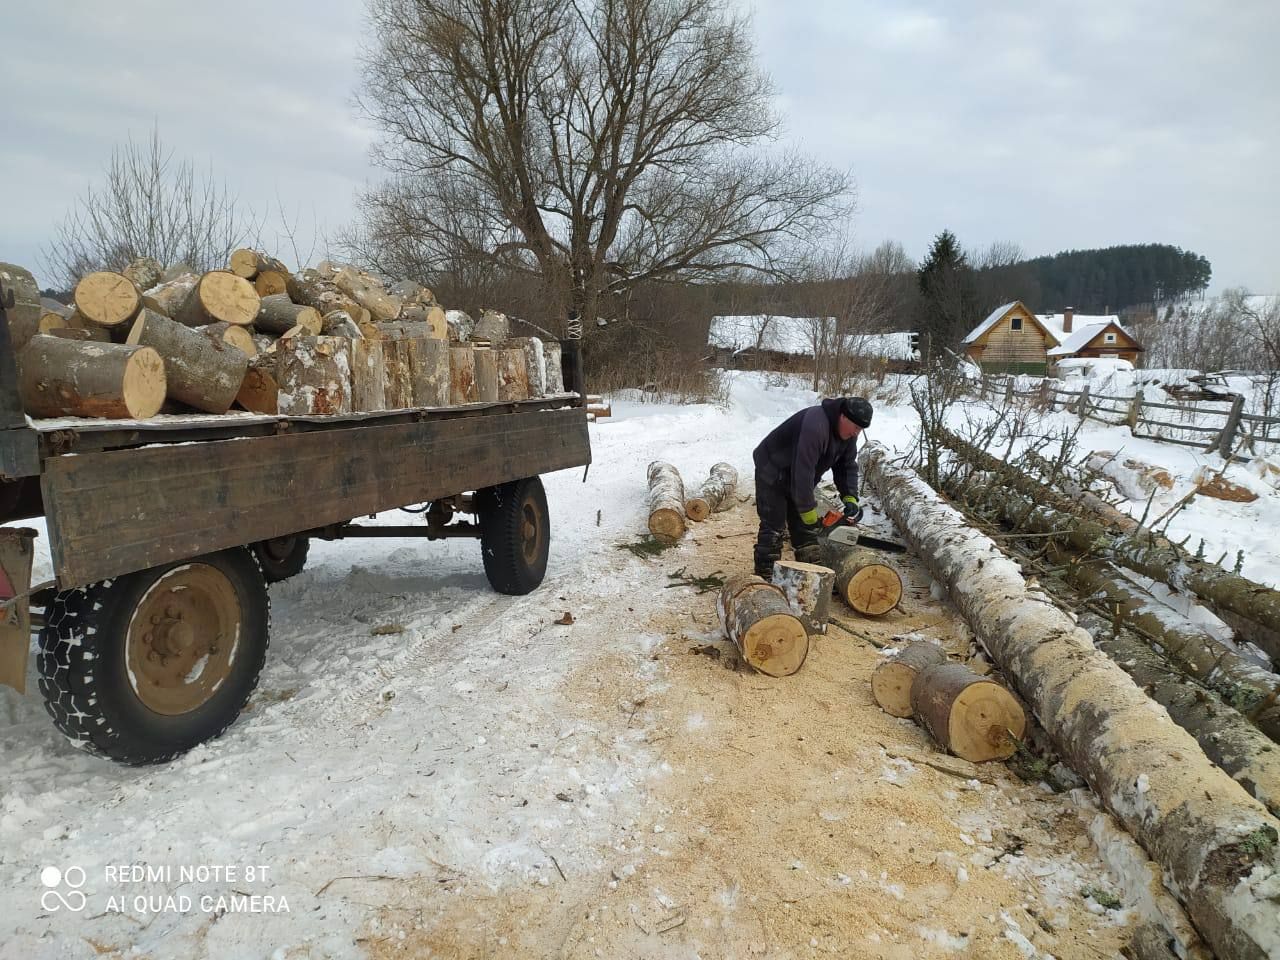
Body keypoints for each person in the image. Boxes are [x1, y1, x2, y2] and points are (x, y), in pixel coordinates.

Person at [751, 396, 873, 576]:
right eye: (856, 427)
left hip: (799, 473)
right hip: (772, 467)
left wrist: (850, 497)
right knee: (774, 525)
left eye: (860, 429)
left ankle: (811, 575)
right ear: (843, 416)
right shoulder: (816, 426)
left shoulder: (848, 435)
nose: (857, 433)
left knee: (804, 530)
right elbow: (803, 472)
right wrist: (808, 512)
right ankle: (765, 576)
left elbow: (846, 466)